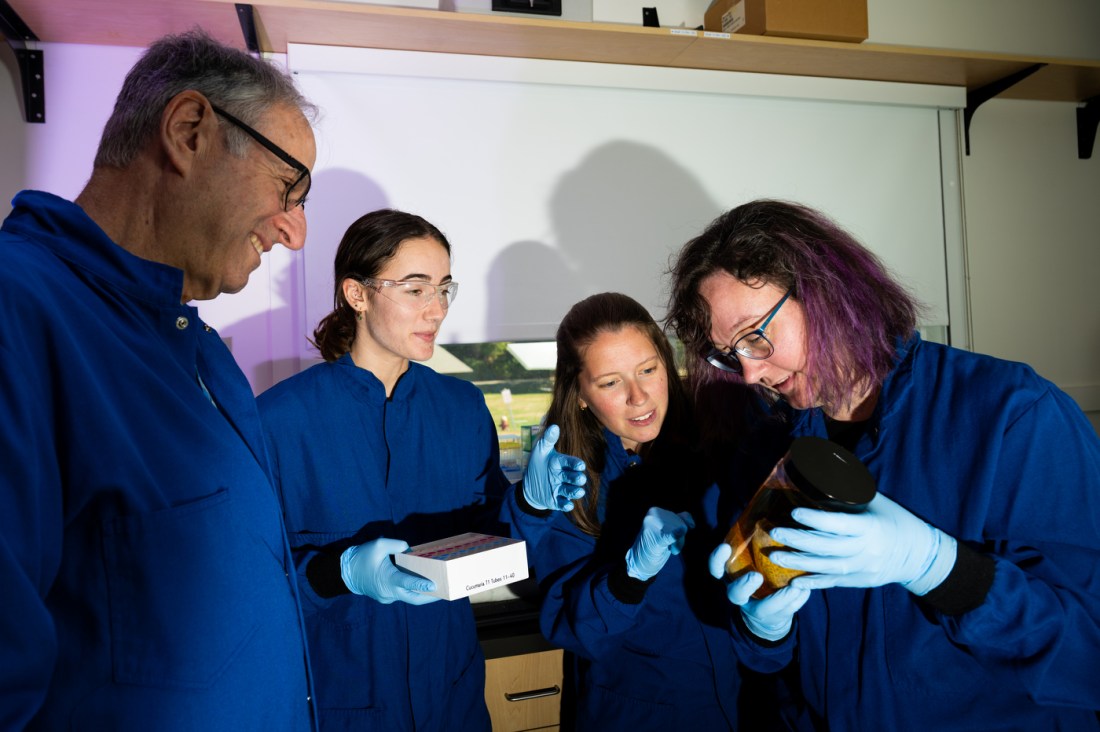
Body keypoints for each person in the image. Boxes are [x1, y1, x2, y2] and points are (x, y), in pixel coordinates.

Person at [665, 198, 1100, 730]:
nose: (751, 374)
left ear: (825, 290)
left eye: (756, 336)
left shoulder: (1012, 415)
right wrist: (763, 628)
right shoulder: (766, 449)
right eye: (730, 354)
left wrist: (939, 567)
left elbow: (1086, 652)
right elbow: (770, 664)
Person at [0, 30, 318, 730]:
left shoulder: (207, 357)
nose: (295, 232)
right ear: (189, 131)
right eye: (289, 187)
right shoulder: (17, 311)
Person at [257, 208, 510, 730]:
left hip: (453, 699)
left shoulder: (462, 408)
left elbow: (496, 533)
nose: (436, 309)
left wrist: (532, 503)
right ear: (357, 294)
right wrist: (339, 572)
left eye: (444, 289)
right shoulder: (279, 420)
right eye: (416, 290)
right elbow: (253, 578)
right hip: (344, 703)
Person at [504, 292, 766, 730]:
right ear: (581, 394)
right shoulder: (569, 485)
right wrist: (629, 577)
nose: (639, 396)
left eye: (648, 370)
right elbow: (575, 629)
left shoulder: (721, 442)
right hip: (641, 713)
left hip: (747, 703)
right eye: (610, 382)